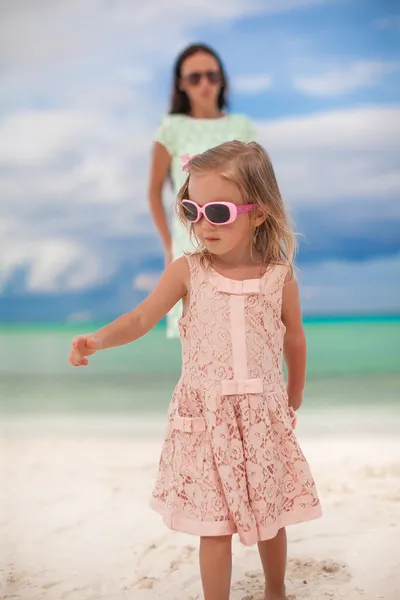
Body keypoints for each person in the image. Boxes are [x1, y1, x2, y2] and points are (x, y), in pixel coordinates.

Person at [69, 141, 321, 600]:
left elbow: (295, 338)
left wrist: (294, 394)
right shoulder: (188, 271)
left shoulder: (279, 277)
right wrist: (100, 339)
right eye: (191, 210)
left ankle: (276, 591)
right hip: (206, 421)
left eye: (219, 212)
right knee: (213, 525)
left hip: (263, 417)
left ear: (258, 213)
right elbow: (141, 319)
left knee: (272, 514)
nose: (203, 224)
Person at [148, 42, 257, 338]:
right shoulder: (171, 128)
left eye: (212, 75)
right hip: (190, 238)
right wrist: (168, 244)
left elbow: (259, 187)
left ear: (222, 79)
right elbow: (154, 191)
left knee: (243, 336)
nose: (205, 84)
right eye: (195, 78)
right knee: (197, 342)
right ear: (181, 84)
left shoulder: (243, 126)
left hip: (240, 242)